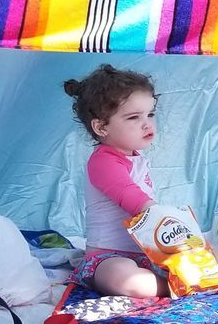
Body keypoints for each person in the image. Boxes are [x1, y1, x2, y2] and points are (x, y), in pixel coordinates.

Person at [65, 65, 163, 298]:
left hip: (145, 253)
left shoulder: (137, 158)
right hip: (107, 257)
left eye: (150, 114)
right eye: (133, 117)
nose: (147, 124)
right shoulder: (103, 162)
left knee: (210, 254)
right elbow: (134, 201)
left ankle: (174, 277)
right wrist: (170, 220)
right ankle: (172, 286)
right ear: (101, 127)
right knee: (126, 278)